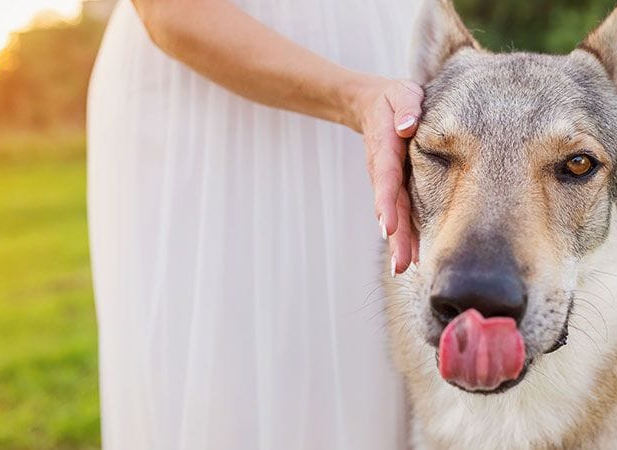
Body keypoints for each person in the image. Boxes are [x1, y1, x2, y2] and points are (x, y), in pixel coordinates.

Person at [87, 0, 423, 448]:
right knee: (234, 373)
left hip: (389, 80)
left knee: (367, 359)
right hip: (209, 107)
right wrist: (354, 96)